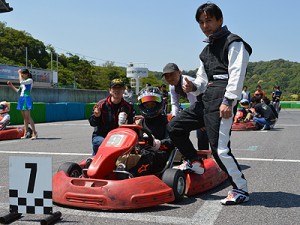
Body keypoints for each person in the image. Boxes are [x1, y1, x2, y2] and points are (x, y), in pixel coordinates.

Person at [167, 3, 252, 205]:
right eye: (201, 22)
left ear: (219, 20)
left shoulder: (234, 43)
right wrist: (192, 87)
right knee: (174, 127)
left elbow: (237, 75)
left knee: (220, 149)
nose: (205, 25)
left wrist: (229, 101)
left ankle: (241, 188)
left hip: (223, 99)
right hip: (206, 98)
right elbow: (202, 81)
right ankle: (195, 162)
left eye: (209, 20)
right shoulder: (205, 52)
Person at [128, 86, 175, 177]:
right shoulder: (139, 123)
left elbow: (172, 142)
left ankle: (131, 176)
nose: (149, 107)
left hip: (159, 156)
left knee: (147, 155)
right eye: (147, 105)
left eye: (152, 105)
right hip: (141, 153)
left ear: (159, 104)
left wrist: (158, 144)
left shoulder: (168, 121)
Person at [162, 62, 209, 150]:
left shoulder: (187, 82)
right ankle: (187, 154)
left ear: (179, 72)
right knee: (178, 126)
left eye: (172, 74)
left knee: (202, 133)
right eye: (166, 76)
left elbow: (194, 102)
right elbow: (174, 103)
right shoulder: (172, 86)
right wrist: (174, 117)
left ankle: (204, 158)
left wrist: (202, 121)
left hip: (205, 104)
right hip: (197, 106)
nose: (169, 78)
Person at [89, 79, 134, 156]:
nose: (117, 90)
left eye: (120, 88)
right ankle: (95, 161)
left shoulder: (128, 107)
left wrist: (126, 124)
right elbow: (92, 123)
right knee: (102, 143)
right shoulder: (101, 104)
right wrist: (96, 116)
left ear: (123, 90)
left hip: (120, 138)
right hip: (102, 136)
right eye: (114, 88)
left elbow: (131, 127)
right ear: (110, 90)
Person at [7, 69, 38, 140]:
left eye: (23, 74)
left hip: (26, 98)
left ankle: (34, 133)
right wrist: (11, 85)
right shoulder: (23, 83)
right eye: (21, 74)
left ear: (27, 74)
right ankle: (26, 133)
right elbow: (18, 91)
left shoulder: (30, 80)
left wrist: (19, 73)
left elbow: (21, 81)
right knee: (24, 118)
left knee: (28, 117)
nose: (22, 75)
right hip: (21, 98)